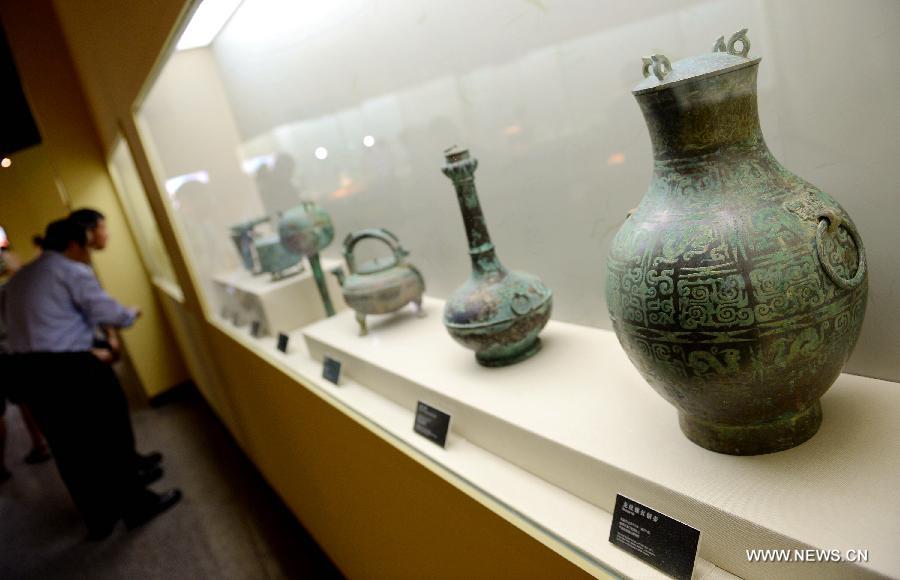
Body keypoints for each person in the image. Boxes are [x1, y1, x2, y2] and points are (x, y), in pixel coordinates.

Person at [0, 218, 181, 539]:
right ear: (73, 244)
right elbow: (108, 314)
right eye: (85, 242)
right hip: (70, 370)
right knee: (111, 435)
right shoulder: (69, 271)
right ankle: (136, 505)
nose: (88, 250)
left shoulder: (20, 279)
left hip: (29, 371)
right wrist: (130, 314)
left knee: (70, 448)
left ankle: (99, 517)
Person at [68, 208, 164, 479]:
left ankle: (131, 464)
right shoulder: (72, 269)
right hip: (75, 357)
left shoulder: (77, 265)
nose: (107, 234)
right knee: (108, 419)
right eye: (103, 227)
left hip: (82, 349)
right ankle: (131, 485)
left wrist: (110, 336)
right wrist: (126, 316)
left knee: (113, 415)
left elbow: (94, 308)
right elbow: (103, 311)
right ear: (88, 233)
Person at [0, 246, 51, 484]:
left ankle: (0, 465)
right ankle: (39, 443)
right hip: (13, 350)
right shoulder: (11, 289)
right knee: (25, 401)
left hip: (7, 353)